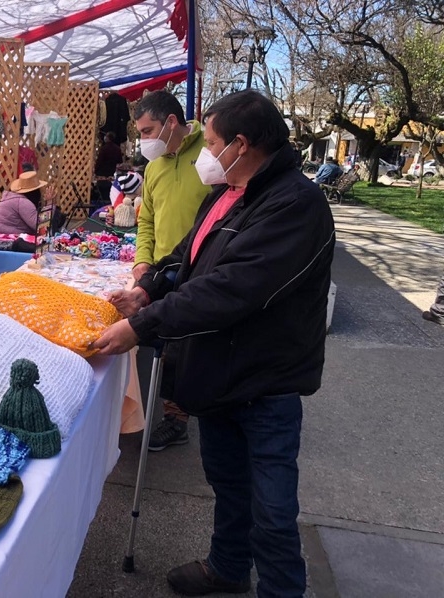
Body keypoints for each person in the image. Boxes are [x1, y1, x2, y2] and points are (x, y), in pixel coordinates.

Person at [90, 89, 335, 597]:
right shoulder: (228, 192)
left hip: (265, 380)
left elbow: (229, 289)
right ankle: (227, 567)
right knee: (227, 484)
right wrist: (146, 288)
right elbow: (189, 257)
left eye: (214, 141)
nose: (207, 151)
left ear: (241, 145)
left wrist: (142, 326)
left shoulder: (296, 205)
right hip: (221, 372)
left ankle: (281, 590)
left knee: (272, 511)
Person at [132, 90, 211, 451]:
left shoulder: (209, 159)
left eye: (148, 131)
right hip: (161, 270)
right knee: (159, 339)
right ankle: (157, 408)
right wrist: (142, 261)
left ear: (171, 123)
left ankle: (177, 420)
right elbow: (145, 219)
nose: (143, 140)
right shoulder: (153, 167)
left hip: (201, 269)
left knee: (184, 346)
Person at [0, 170, 48, 236]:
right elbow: (40, 225)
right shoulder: (23, 203)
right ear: (36, 192)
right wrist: (49, 204)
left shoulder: (14, 199)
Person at [95, 132, 124, 205]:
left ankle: (102, 203)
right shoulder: (117, 149)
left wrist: (96, 170)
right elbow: (120, 161)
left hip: (102, 173)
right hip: (112, 173)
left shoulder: (104, 148)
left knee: (102, 190)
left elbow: (99, 161)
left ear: (108, 138)